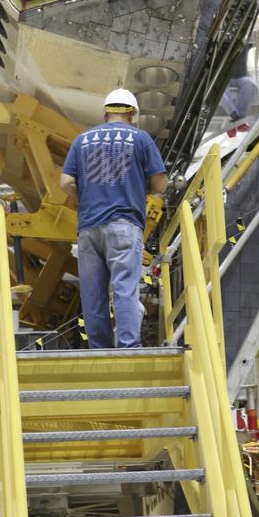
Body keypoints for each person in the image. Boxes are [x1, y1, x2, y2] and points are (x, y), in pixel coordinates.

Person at [60, 89, 167, 349]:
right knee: (124, 289)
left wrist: (86, 195)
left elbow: (65, 183)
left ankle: (100, 350)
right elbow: (160, 184)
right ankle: (128, 347)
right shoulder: (140, 139)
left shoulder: (82, 139)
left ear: (106, 113)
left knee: (93, 295)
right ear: (132, 114)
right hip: (123, 224)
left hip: (88, 228)